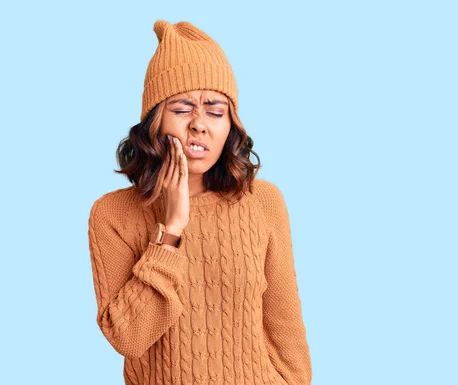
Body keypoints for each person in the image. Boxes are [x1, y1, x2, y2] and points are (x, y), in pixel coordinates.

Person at [87, 19, 312, 385]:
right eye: (181, 109)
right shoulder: (112, 214)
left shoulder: (264, 202)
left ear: (231, 125)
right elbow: (129, 338)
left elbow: (287, 336)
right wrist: (171, 231)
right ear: (154, 122)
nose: (199, 124)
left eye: (215, 110)